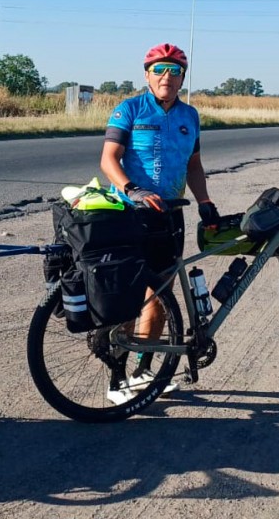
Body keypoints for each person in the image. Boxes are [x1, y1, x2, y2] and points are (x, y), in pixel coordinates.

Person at [99, 42, 219, 404]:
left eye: (175, 70)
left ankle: (142, 371)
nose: (167, 76)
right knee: (127, 294)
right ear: (147, 74)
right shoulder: (129, 110)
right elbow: (109, 159)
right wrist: (131, 189)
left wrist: (206, 203)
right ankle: (117, 379)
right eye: (160, 69)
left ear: (183, 77)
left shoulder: (190, 116)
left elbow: (194, 166)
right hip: (129, 213)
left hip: (169, 216)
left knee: (161, 295)